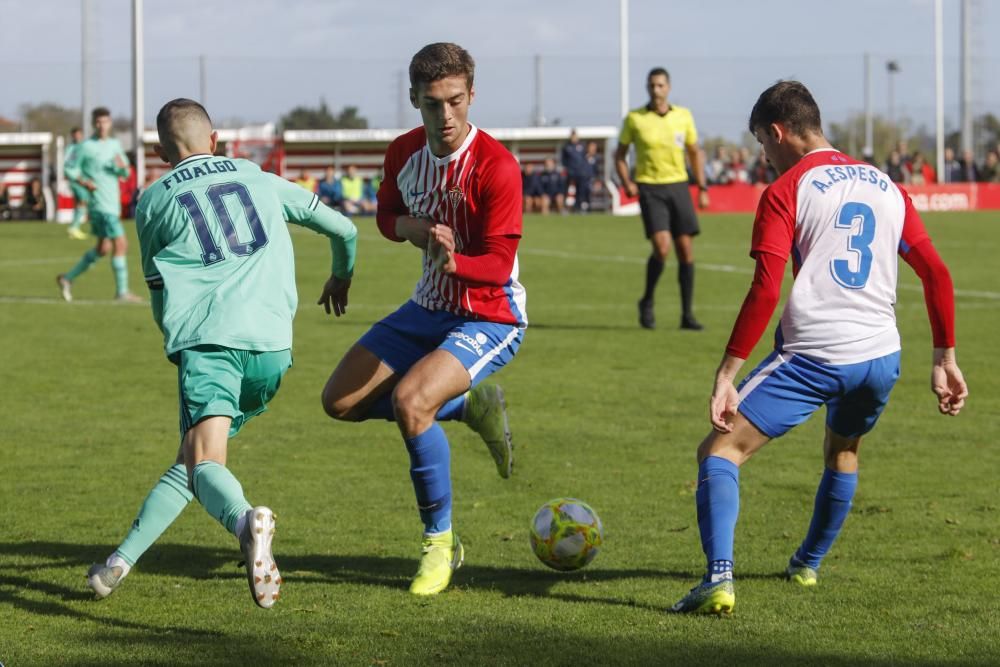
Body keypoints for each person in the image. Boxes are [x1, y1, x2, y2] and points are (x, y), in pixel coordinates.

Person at [671, 81, 967, 615]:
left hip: (812, 357)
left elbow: (766, 287)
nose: (763, 157)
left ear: (778, 132)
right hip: (880, 357)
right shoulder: (886, 185)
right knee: (844, 451)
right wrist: (944, 358)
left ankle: (718, 578)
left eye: (763, 143)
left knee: (719, 452)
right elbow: (936, 272)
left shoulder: (787, 190)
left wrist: (727, 373)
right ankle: (807, 564)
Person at [85, 98, 358, 608]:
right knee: (194, 461)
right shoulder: (258, 176)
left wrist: (175, 340)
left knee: (203, 460)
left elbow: (157, 286)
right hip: (273, 347)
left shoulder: (153, 200)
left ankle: (245, 522)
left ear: (162, 154)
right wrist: (341, 274)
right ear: (215, 141)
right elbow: (345, 229)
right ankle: (116, 566)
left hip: (209, 343)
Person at [320, 42, 527, 597]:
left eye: (456, 101)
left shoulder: (498, 167)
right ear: (414, 99)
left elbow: (499, 266)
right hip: (427, 307)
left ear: (471, 95)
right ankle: (469, 406)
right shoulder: (402, 152)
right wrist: (412, 231)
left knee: (412, 403)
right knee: (339, 401)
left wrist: (455, 260)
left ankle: (440, 545)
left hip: (489, 314)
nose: (446, 116)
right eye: (433, 103)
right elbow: (387, 215)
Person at [616, 67, 709, 331]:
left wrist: (702, 186)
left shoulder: (683, 116)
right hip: (650, 188)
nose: (655, 90)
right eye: (651, 85)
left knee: (686, 251)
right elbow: (619, 156)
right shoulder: (635, 119)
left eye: (660, 85)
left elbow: (694, 152)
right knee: (662, 247)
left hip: (678, 186)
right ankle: (647, 301)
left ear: (668, 88)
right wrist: (627, 182)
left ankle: (687, 315)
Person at [57, 107, 141, 302]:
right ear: (93, 124)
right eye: (98, 122)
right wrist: (84, 181)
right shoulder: (84, 147)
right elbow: (69, 168)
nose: (102, 125)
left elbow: (126, 172)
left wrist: (121, 169)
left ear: (110, 123)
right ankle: (122, 292)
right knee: (121, 244)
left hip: (113, 202)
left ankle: (68, 279)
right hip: (99, 204)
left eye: (105, 122)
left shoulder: (114, 145)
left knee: (103, 248)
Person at [65, 127, 90, 239]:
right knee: (83, 201)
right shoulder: (71, 148)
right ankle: (74, 227)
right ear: (72, 136)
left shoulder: (84, 146)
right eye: (75, 135)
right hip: (77, 179)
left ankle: (74, 227)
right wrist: (77, 177)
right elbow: (67, 164)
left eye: (79, 134)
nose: (77, 136)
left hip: (83, 178)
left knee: (79, 203)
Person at [561, 129, 589, 212]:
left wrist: (583, 169)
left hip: (580, 173)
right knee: (567, 190)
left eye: (575, 136)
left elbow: (585, 158)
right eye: (572, 136)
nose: (574, 138)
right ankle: (566, 207)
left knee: (580, 190)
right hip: (570, 172)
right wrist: (568, 168)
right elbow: (563, 160)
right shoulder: (566, 147)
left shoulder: (582, 146)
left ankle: (578, 207)